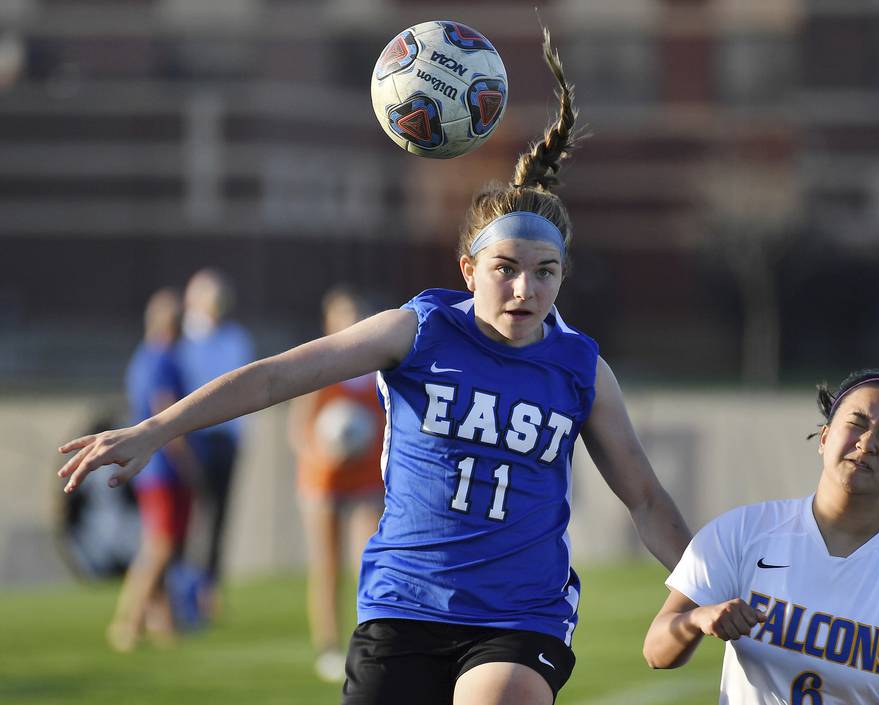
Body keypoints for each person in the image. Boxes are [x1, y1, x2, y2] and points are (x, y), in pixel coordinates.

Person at [57, 29, 691, 705]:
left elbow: (646, 498)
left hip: (519, 616)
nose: (524, 290)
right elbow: (276, 375)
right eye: (504, 270)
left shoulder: (578, 367)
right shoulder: (419, 330)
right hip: (405, 605)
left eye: (545, 273)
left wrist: (714, 584)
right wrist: (157, 428)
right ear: (468, 270)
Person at [643, 344, 879, 705]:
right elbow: (656, 651)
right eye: (857, 423)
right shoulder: (742, 532)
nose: (867, 443)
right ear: (825, 437)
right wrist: (698, 620)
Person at [287, 287, 386, 683]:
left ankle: (370, 641)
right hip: (322, 481)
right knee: (327, 566)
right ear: (329, 322)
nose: (350, 321)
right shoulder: (320, 367)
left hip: (366, 480)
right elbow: (299, 431)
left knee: (372, 562)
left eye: (357, 313)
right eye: (342, 314)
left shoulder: (381, 368)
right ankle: (328, 647)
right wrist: (324, 453)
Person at [107, 288, 199, 652]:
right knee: (160, 547)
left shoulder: (142, 357)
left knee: (163, 544)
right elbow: (167, 415)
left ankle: (162, 621)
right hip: (164, 469)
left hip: (152, 469)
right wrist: (189, 463)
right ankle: (127, 622)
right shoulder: (163, 359)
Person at [179, 267, 254, 618]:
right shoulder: (182, 342)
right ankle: (180, 591)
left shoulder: (236, 337)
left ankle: (209, 590)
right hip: (195, 439)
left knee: (219, 517)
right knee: (187, 516)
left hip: (225, 438)